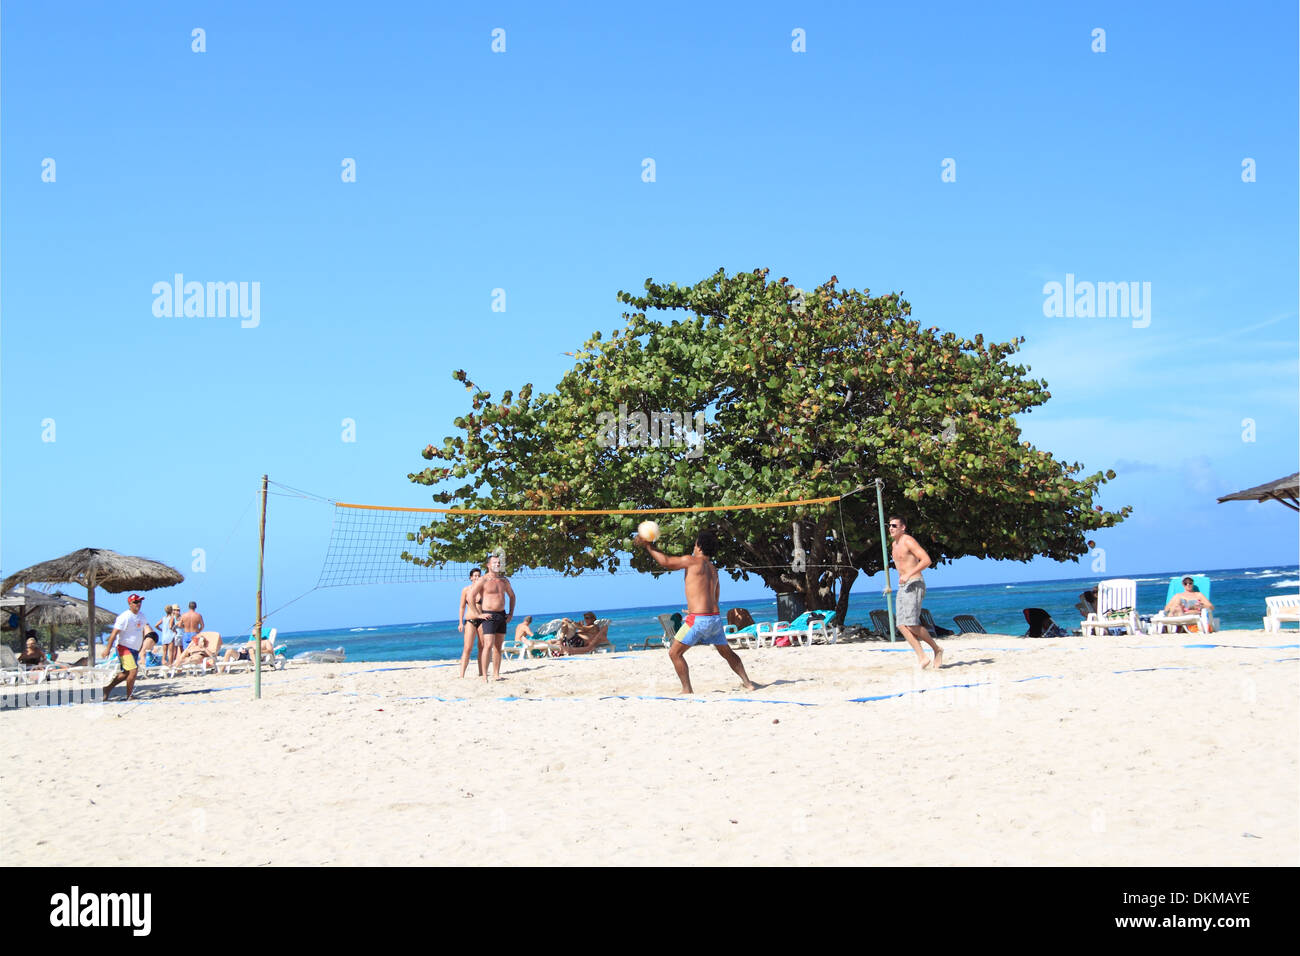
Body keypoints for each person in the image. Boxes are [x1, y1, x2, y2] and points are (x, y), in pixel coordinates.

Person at [632, 529, 755, 694]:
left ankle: (686, 689)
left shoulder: (692, 561)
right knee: (727, 653)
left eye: (695, 543)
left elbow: (666, 562)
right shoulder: (713, 569)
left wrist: (648, 545)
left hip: (699, 619)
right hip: (714, 618)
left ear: (699, 546)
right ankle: (748, 683)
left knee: (674, 653)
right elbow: (715, 595)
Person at [889, 516, 943, 669]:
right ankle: (922, 657)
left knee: (912, 624)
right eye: (889, 525)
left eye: (894, 525)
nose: (891, 528)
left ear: (903, 527)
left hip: (914, 583)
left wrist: (908, 574)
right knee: (900, 624)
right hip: (903, 586)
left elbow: (926, 560)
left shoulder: (908, 541)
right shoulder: (894, 545)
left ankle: (937, 649)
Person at [468, 553, 516, 681]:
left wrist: (511, 613)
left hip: (502, 615)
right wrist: (478, 614)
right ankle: (484, 675)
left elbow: (512, 596)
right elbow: (470, 596)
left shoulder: (504, 580)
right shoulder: (483, 580)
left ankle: (496, 674)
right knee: (487, 645)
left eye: (499, 563)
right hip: (488, 615)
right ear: (488, 565)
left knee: (498, 647)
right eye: (495, 562)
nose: (497, 564)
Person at [102, 594, 153, 701]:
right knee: (133, 670)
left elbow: (144, 631)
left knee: (126, 673)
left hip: (135, 648)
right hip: (123, 647)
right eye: (135, 602)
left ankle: (107, 689)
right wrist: (107, 649)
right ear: (130, 604)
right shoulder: (125, 617)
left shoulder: (142, 616)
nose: (138, 604)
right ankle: (129, 696)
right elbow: (114, 634)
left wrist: (143, 646)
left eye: (140, 602)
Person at [457, 568, 485, 678]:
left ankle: (481, 672)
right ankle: (462, 675)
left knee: (482, 647)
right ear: (471, 578)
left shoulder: (483, 590)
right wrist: (460, 623)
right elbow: (462, 607)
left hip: (482, 620)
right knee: (467, 648)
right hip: (470, 620)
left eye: (479, 575)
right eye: (475, 576)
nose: (477, 577)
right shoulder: (466, 590)